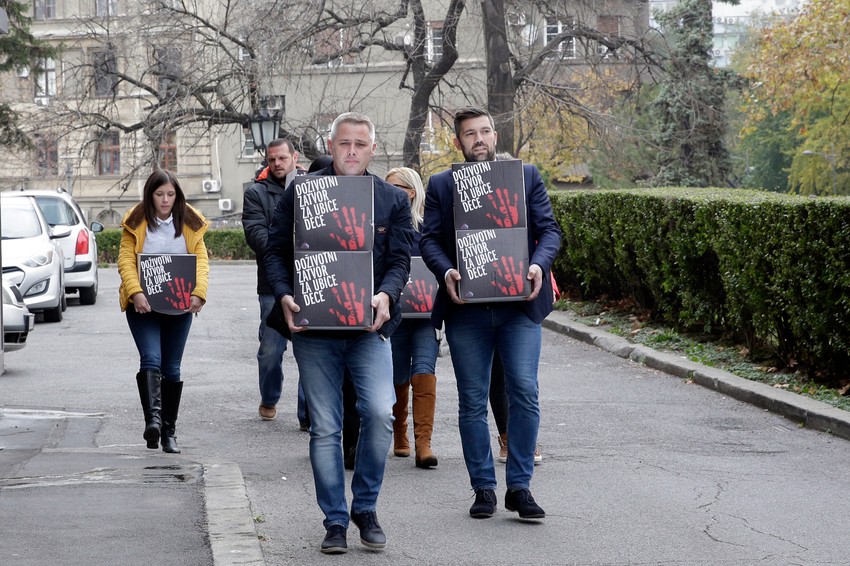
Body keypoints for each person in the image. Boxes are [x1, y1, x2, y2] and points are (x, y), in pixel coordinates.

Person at [264, 112, 413, 554]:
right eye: (344, 143)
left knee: (381, 413)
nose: (351, 151)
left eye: (360, 144)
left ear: (372, 149)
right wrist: (285, 294)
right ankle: (334, 521)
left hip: (370, 328)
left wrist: (386, 294)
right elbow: (274, 251)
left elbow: (401, 261)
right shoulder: (301, 193)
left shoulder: (391, 199)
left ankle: (364, 507)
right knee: (325, 426)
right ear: (331, 146)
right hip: (315, 329)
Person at [420, 106, 562, 520]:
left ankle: (519, 487)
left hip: (519, 308)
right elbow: (429, 240)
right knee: (471, 401)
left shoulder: (525, 177)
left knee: (524, 391)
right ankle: (483, 488)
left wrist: (537, 264)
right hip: (467, 311)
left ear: (495, 137)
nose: (478, 139)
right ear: (458, 141)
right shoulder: (442, 185)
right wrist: (446, 271)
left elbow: (550, 230)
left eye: (484, 132)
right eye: (469, 134)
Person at [118, 169, 209, 454]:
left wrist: (199, 292)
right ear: (150, 195)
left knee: (172, 366)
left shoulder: (190, 220)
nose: (165, 200)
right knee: (151, 358)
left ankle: (169, 431)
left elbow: (201, 260)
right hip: (142, 305)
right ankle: (153, 423)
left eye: (171, 194)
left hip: (179, 306)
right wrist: (136, 292)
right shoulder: (136, 220)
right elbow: (125, 260)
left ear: (177, 195)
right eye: (160, 195)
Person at [242, 138, 302, 423]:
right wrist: (293, 250)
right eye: (272, 160)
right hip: (272, 283)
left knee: (312, 351)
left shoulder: (311, 186)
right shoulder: (256, 192)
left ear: (294, 157)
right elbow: (256, 234)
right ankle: (269, 397)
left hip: (311, 280)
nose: (277, 164)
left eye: (282, 158)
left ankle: (309, 414)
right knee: (270, 349)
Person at [385, 166, 439, 469]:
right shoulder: (381, 225)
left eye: (399, 188)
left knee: (424, 370)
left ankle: (424, 443)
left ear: (413, 191)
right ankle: (400, 433)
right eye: (389, 187)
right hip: (393, 315)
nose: (394, 193)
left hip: (426, 316)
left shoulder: (428, 227)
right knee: (396, 377)